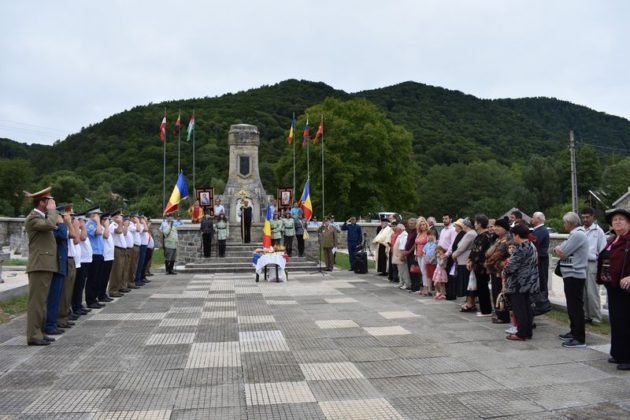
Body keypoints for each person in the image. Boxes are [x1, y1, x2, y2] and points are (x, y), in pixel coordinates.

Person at [23, 187, 58, 346]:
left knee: (42, 301)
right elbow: (50, 224)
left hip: (45, 264)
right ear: (42, 203)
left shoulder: (41, 217)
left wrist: (50, 212)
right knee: (36, 303)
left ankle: (39, 332)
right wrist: (52, 211)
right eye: (49, 201)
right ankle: (33, 335)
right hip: (39, 265)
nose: (52, 204)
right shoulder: (33, 218)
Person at [597, 208, 630, 370]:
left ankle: (627, 358)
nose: (617, 222)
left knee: (626, 321)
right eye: (614, 220)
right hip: (612, 285)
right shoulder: (612, 240)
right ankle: (617, 353)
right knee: (616, 321)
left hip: (626, 288)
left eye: (621, 219)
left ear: (629, 223)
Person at [554, 212, 589, 348]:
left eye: (565, 222)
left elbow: (562, 252)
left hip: (575, 274)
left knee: (575, 307)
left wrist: (558, 248)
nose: (563, 225)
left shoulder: (578, 235)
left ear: (570, 223)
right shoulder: (574, 234)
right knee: (572, 306)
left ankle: (579, 338)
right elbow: (562, 250)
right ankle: (574, 332)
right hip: (570, 274)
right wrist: (559, 249)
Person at [503, 223, 540, 341]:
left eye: (513, 235)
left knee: (519, 309)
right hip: (530, 281)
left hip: (519, 283)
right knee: (527, 308)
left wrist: (504, 271)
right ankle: (527, 332)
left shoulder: (520, 248)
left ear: (517, 235)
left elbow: (511, 267)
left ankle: (521, 333)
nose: (513, 238)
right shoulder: (531, 245)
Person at [44, 205, 71, 336]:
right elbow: (62, 235)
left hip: (61, 263)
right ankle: (50, 325)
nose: (63, 218)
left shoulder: (58, 226)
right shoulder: (53, 227)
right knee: (53, 297)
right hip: (56, 264)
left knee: (57, 296)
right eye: (61, 215)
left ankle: (53, 323)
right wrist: (60, 222)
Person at [580, 207, 606, 324]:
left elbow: (602, 249)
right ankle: (585, 315)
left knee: (592, 292)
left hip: (592, 263)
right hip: (581, 263)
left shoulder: (598, 231)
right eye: (583, 217)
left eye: (587, 217)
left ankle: (595, 317)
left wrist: (601, 266)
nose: (585, 219)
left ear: (592, 217)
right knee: (583, 291)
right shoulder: (580, 230)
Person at [484, 217, 512, 323]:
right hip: (495, 270)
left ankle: (503, 316)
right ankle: (499, 314)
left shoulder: (507, 239)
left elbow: (496, 255)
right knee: (496, 292)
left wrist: (488, 262)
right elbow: (487, 253)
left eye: (498, 226)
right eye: (495, 226)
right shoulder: (498, 239)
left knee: (501, 293)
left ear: (505, 228)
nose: (495, 228)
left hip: (501, 271)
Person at [467, 214, 493, 317]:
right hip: (477, 266)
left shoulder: (485, 236)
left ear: (480, 224)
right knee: (480, 287)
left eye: (476, 222)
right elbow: (473, 250)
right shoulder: (479, 235)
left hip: (482, 266)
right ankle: (484, 309)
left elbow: (480, 252)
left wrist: (472, 261)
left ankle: (486, 311)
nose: (474, 224)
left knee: (483, 288)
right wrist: (470, 259)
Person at [452, 218, 477, 310]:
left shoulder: (470, 234)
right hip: (463, 260)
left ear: (466, 225)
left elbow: (462, 247)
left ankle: (470, 302)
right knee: (467, 282)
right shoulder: (469, 233)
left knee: (467, 282)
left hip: (464, 261)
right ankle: (469, 301)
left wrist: (454, 254)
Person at [85, 207, 105, 308]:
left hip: (99, 253)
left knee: (97, 278)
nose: (100, 216)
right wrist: (97, 222)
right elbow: (98, 232)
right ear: (93, 215)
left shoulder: (97, 224)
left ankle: (95, 298)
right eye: (98, 214)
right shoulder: (90, 224)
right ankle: (90, 300)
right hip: (94, 254)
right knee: (92, 278)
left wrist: (98, 223)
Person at [531, 212, 550, 302]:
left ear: (538, 219)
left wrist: (525, 236)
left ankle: (544, 300)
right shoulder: (538, 230)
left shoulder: (542, 230)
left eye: (533, 217)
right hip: (539, 258)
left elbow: (535, 241)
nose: (532, 219)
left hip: (541, 259)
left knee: (542, 279)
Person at [107, 210, 126, 298]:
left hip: (121, 250)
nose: (121, 218)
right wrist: (120, 222)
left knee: (120, 270)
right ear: (114, 217)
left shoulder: (118, 224)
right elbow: (119, 231)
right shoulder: (112, 225)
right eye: (119, 216)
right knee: (116, 271)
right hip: (117, 250)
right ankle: (113, 290)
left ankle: (118, 288)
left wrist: (121, 223)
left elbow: (123, 232)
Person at [98, 213, 115, 301]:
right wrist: (107, 226)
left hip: (109, 256)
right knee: (102, 277)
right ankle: (101, 295)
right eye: (105, 219)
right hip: (105, 256)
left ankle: (103, 294)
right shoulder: (101, 228)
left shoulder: (105, 228)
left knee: (106, 277)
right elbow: (106, 236)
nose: (107, 221)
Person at [414, 217, 430, 295]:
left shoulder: (428, 233)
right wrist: (415, 254)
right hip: (418, 254)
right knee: (422, 271)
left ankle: (426, 288)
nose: (422, 226)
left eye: (424, 224)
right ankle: (424, 287)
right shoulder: (419, 234)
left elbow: (429, 244)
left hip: (425, 254)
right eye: (421, 225)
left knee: (424, 271)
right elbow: (416, 245)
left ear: (426, 225)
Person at [394, 224, 410, 290]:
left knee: (404, 271)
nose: (395, 229)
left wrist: (402, 256)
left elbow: (403, 247)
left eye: (397, 228)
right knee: (400, 271)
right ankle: (401, 282)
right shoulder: (400, 235)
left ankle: (407, 283)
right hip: (398, 255)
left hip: (401, 255)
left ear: (400, 229)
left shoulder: (404, 235)